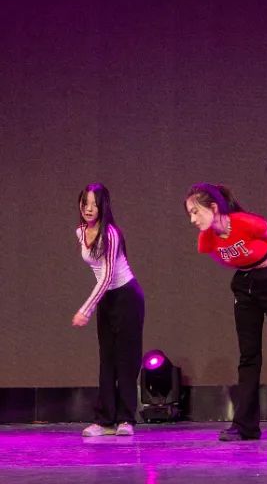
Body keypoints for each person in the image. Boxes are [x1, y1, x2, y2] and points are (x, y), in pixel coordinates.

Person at [185, 183, 267, 441]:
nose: (192, 219)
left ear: (214, 207)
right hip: (245, 286)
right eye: (190, 214)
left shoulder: (244, 222)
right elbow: (225, 258)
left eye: (196, 212)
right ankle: (245, 426)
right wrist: (245, 268)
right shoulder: (206, 240)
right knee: (248, 357)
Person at [73, 183, 145, 437]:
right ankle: (104, 420)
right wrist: (95, 305)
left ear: (103, 206)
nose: (89, 209)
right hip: (106, 298)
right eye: (85, 203)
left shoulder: (111, 234)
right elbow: (100, 278)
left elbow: (107, 276)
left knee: (126, 359)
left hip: (127, 296)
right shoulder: (81, 232)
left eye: (95, 204)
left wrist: (86, 309)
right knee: (107, 359)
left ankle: (126, 419)